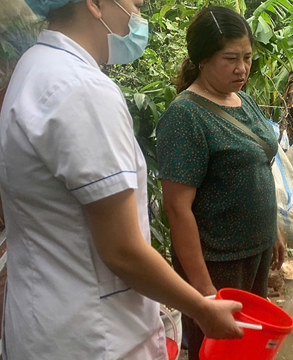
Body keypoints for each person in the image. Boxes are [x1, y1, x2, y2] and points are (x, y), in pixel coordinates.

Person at [0, 0, 245, 358]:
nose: (139, 12)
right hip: (95, 335)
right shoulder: (81, 89)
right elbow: (122, 249)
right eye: (133, 4)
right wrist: (202, 307)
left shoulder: (34, 68)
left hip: (48, 319)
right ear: (95, 5)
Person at [156, 6, 286, 359]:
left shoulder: (243, 100)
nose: (242, 68)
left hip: (255, 253)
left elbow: (260, 162)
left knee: (250, 347)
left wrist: (272, 227)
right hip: (218, 263)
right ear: (202, 59)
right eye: (230, 58)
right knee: (219, 349)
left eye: (247, 57)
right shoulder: (185, 117)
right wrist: (205, 292)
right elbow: (177, 208)